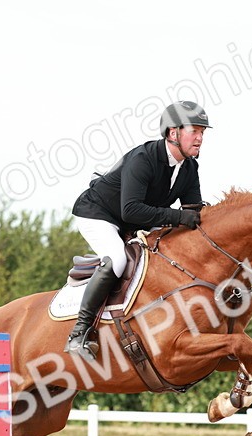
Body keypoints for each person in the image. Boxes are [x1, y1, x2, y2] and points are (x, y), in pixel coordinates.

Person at [64, 100, 211, 359]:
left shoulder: (189, 167)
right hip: (99, 214)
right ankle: (79, 332)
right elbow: (130, 210)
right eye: (194, 131)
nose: (199, 138)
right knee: (117, 259)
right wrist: (178, 217)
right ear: (173, 133)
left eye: (202, 132)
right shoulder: (143, 159)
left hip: (135, 220)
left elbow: (192, 212)